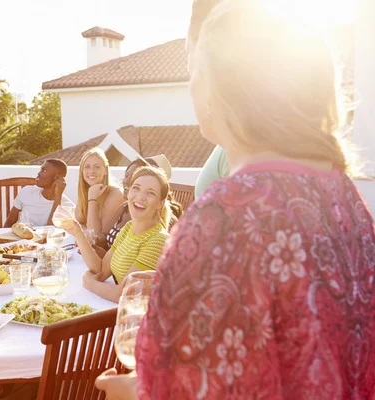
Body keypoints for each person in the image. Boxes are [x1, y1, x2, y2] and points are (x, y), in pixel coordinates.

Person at [96, 0, 375, 398]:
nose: (191, 83)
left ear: (224, 90)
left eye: (195, 70)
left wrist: (135, 393)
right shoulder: (346, 199)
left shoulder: (226, 214)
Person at [65, 166, 171, 303]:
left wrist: (90, 283)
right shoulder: (129, 228)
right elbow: (101, 270)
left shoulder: (158, 240)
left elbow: (124, 294)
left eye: (150, 193)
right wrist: (76, 231)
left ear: (160, 203)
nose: (140, 196)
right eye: (136, 188)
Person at [97, 155, 182, 252]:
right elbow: (104, 235)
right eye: (126, 175)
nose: (126, 181)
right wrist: (95, 240)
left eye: (134, 176)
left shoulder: (164, 224)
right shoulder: (124, 208)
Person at [3, 159, 71, 227]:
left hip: (46, 237)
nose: (39, 173)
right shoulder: (26, 192)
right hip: (21, 237)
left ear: (57, 178)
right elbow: (9, 223)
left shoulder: (66, 205)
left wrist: (58, 196)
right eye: (40, 170)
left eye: (44, 170)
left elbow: (52, 231)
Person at [75, 148, 123, 237]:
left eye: (97, 167)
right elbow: (78, 224)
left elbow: (95, 235)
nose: (91, 171)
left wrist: (92, 199)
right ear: (82, 171)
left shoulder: (115, 194)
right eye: (87, 167)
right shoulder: (86, 191)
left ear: (105, 170)